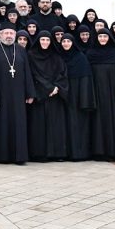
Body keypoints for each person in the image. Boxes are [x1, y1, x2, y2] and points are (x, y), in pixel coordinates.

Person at [0, 23, 34, 165]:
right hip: (0, 95)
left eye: (11, 34)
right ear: (0, 35)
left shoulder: (20, 50)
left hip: (18, 95)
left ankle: (19, 156)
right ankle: (2, 156)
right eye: (6, 33)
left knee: (19, 124)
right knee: (1, 124)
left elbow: (27, 72)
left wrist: (30, 93)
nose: (9, 36)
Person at [86, 30, 115, 161]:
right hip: (97, 93)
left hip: (114, 95)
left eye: (105, 36)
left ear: (109, 38)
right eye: (100, 36)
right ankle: (99, 152)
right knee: (98, 122)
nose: (102, 38)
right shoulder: (91, 53)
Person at [27, 31, 68, 162]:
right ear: (38, 41)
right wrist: (48, 88)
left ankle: (57, 154)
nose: (45, 42)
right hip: (40, 95)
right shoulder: (31, 55)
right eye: (42, 39)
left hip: (55, 95)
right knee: (39, 125)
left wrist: (56, 87)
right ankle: (39, 154)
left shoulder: (56, 56)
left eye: (47, 40)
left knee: (56, 125)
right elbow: (33, 74)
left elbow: (62, 73)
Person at [59, 34, 96, 161]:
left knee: (78, 124)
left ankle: (80, 153)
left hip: (77, 96)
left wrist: (84, 98)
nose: (66, 44)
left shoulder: (80, 58)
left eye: (68, 41)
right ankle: (66, 153)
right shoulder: (59, 56)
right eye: (64, 41)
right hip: (63, 95)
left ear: (73, 43)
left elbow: (86, 78)